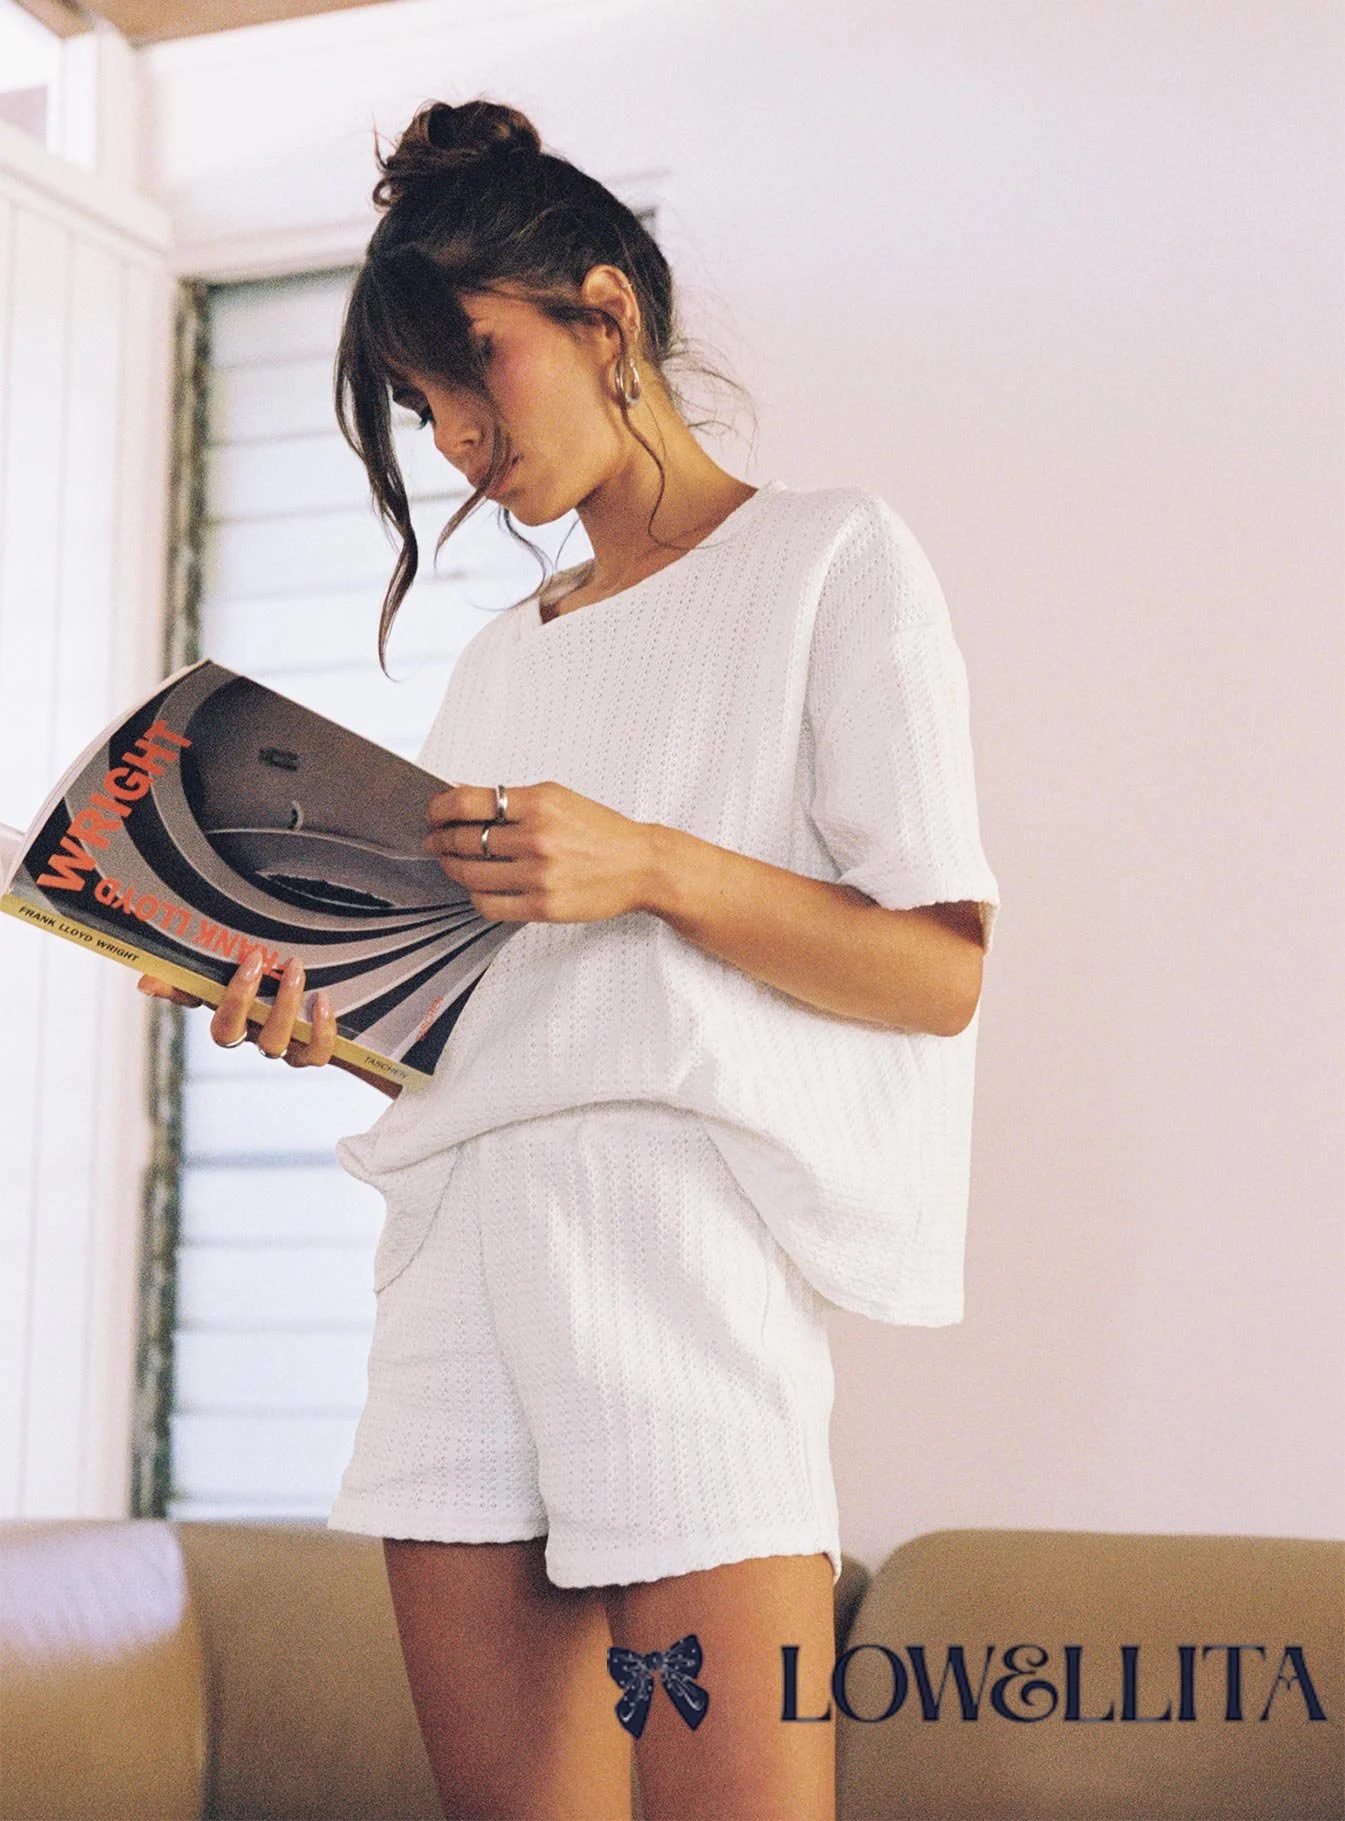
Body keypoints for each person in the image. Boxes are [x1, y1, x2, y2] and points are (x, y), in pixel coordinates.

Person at [140, 96, 1000, 1821]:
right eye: (421, 407)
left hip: (678, 1256)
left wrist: (653, 865)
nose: (457, 438)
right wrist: (324, 1013)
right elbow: (484, 1015)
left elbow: (939, 973)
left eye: (475, 368)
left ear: (606, 314)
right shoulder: (498, 661)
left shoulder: (829, 559)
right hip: (460, 1263)